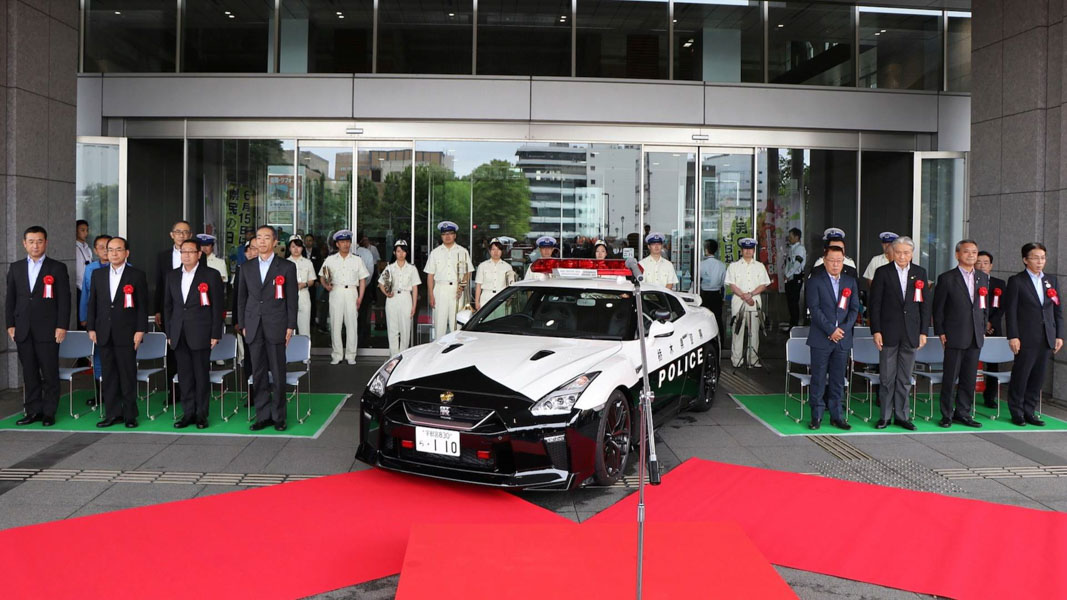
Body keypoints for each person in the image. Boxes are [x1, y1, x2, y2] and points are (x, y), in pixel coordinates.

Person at [6, 226, 70, 427]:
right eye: (31, 241)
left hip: (49, 330)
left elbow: (64, 300)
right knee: (29, 372)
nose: (35, 245)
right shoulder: (15, 267)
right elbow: (10, 298)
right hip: (23, 329)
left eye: (39, 241)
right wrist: (10, 324)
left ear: (46, 243)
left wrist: (62, 325)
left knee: (49, 372)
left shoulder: (57, 268)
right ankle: (33, 410)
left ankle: (49, 412)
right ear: (24, 243)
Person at [237, 225, 298, 431]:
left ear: (274, 242)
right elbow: (241, 299)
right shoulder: (246, 267)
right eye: (259, 237)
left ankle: (279, 417)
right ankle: (263, 415)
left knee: (278, 373)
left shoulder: (287, 267)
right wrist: (243, 324)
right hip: (253, 325)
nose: (262, 241)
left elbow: (292, 299)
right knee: (258, 372)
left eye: (266, 238)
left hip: (277, 325)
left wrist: (290, 326)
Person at [869, 236, 929, 431]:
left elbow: (925, 306)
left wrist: (923, 332)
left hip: (911, 332)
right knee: (887, 378)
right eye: (899, 252)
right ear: (891, 253)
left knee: (905, 378)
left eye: (906, 252)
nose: (902, 256)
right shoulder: (882, 272)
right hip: (888, 331)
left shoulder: (920, 272)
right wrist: (876, 330)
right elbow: (875, 304)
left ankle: (902, 415)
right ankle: (885, 416)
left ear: (912, 253)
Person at [87, 237, 147, 429]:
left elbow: (142, 306)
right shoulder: (98, 274)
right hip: (104, 332)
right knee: (109, 375)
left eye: (118, 249)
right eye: (110, 249)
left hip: (127, 333)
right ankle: (112, 414)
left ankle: (130, 415)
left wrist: (140, 330)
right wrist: (91, 328)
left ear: (126, 253)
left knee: (127, 374)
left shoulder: (136, 275)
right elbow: (92, 303)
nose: (113, 253)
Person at [164, 238, 224, 429]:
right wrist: (169, 332)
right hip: (179, 333)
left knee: (201, 376)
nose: (186, 255)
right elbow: (168, 307)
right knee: (185, 377)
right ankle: (188, 413)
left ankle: (201, 415)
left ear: (199, 254)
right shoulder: (172, 276)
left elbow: (218, 307)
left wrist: (215, 333)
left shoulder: (211, 275)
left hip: (201, 332)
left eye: (191, 251)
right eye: (183, 252)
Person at [1004, 242, 1064, 427]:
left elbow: (1057, 310)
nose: (1040, 262)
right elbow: (1011, 311)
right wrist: (1013, 336)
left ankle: (1030, 411)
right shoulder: (1017, 281)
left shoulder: (1051, 281)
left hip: (1047, 336)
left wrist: (1059, 335)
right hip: (1025, 337)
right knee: (1021, 375)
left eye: (1043, 258)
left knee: (1038, 377)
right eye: (1035, 258)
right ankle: (1017, 412)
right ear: (1025, 260)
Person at [931, 240, 987, 428]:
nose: (971, 255)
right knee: (950, 377)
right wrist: (941, 331)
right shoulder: (947, 278)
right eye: (966, 252)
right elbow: (938, 308)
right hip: (954, 334)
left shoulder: (982, 277)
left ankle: (963, 413)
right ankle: (947, 414)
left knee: (969, 378)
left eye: (974, 252)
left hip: (975, 335)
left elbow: (983, 306)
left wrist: (982, 327)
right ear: (957, 255)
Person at [804, 246, 860, 431]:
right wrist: (831, 330)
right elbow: (814, 309)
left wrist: (842, 329)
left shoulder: (850, 281)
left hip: (842, 338)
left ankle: (837, 416)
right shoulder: (815, 281)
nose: (835, 264)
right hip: (821, 337)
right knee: (818, 378)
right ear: (824, 261)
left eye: (839, 261)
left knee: (838, 379)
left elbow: (854, 309)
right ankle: (817, 416)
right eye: (832, 260)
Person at [318, 230, 368, 365]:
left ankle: (351, 355)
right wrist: (326, 286)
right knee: (335, 324)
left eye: (347, 242)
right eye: (342, 242)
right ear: (337, 244)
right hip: (336, 291)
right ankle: (337, 355)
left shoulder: (357, 260)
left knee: (352, 324)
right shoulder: (330, 260)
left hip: (352, 291)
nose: (345, 244)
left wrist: (360, 298)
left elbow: (362, 280)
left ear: (350, 243)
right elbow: (322, 276)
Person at [724, 238, 770, 368]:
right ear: (741, 250)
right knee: (737, 330)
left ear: (754, 251)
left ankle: (752, 359)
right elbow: (732, 285)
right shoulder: (734, 266)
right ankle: (736, 359)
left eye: (750, 249)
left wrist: (751, 294)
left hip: (754, 301)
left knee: (754, 331)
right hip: (739, 301)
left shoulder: (760, 266)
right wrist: (744, 296)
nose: (748, 251)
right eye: (745, 249)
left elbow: (763, 284)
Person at [425, 221, 474, 339]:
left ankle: (456, 349)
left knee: (457, 326)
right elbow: (430, 276)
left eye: (450, 233)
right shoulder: (435, 253)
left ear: (455, 235)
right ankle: (438, 349)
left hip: (457, 290)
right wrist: (431, 295)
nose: (447, 236)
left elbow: (468, 272)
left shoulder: (463, 251)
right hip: (440, 290)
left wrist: (461, 287)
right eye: (444, 234)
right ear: (441, 236)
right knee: (439, 325)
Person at [80, 234, 113, 391]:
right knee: (98, 355)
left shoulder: (127, 268)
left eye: (108, 247)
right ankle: (100, 391)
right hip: (98, 319)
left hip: (118, 320)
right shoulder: (90, 268)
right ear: (95, 250)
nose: (105, 250)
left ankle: (116, 391)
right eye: (101, 247)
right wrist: (84, 317)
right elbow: (86, 294)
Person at [976, 250, 1007, 408]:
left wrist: (990, 323)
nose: (982, 266)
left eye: (985, 263)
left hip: (993, 329)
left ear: (991, 266)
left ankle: (990, 397)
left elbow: (1002, 307)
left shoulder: (999, 283)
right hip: (974, 327)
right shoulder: (970, 281)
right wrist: (981, 324)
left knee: (993, 364)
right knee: (970, 362)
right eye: (979, 262)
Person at [381, 240, 420, 355]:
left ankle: (403, 356)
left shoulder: (412, 268)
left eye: (403, 251)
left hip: (406, 297)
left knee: (405, 329)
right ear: (394, 252)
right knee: (392, 329)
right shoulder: (390, 268)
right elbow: (381, 283)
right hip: (392, 298)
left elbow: (415, 288)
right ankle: (393, 356)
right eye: (398, 251)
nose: (401, 254)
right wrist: (386, 293)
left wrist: (414, 306)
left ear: (406, 253)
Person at [286, 237, 316, 337]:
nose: (296, 249)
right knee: (288, 328)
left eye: (298, 246)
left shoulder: (308, 262)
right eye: (293, 246)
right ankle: (288, 347)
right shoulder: (284, 263)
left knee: (305, 328)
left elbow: (312, 280)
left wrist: (304, 284)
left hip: (304, 295)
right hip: (289, 296)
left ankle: (305, 347)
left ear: (302, 248)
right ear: (289, 248)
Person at [475, 238, 513, 309]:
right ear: (489, 251)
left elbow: (511, 285)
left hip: (501, 297)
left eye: (498, 249)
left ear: (501, 251)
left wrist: (509, 299)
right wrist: (477, 301)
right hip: (486, 297)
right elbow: (478, 285)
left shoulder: (508, 267)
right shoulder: (482, 266)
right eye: (493, 249)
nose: (496, 252)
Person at [354, 233, 377, 346]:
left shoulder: (366, 253)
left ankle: (355, 341)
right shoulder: (366, 253)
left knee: (355, 317)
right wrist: (363, 286)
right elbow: (370, 273)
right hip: (363, 288)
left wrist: (360, 286)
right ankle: (360, 341)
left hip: (357, 289)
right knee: (362, 316)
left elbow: (369, 273)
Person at [699, 239, 727, 331]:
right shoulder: (722, 265)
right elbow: (724, 284)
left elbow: (697, 281)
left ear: (706, 250)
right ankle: (720, 339)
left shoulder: (700, 264)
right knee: (717, 320)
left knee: (702, 320)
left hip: (704, 295)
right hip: (716, 295)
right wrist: (723, 298)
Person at [783, 228, 806, 327]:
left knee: (794, 302)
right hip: (790, 279)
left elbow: (797, 264)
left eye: (791, 236)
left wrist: (788, 274)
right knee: (790, 303)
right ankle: (792, 325)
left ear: (797, 237)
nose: (789, 238)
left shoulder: (800, 249)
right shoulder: (791, 248)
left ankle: (795, 326)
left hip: (796, 278)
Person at [75, 220, 92, 314]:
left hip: (88, 287)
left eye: (87, 230)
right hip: (81, 288)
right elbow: (79, 272)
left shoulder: (87, 248)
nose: (86, 233)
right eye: (82, 230)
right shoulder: (75, 248)